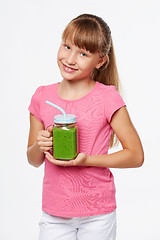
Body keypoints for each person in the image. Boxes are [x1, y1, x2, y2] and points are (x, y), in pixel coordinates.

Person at [27, 13, 144, 240]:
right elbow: (33, 160)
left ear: (100, 60)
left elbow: (136, 156)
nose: (70, 59)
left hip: (97, 213)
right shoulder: (42, 97)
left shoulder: (107, 98)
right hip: (54, 212)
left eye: (83, 53)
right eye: (67, 46)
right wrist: (39, 145)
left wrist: (87, 159)